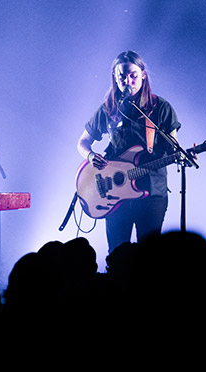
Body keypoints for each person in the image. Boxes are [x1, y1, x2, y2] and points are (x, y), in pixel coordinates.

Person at [77, 51, 182, 253]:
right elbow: (82, 142)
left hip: (151, 192)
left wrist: (182, 155)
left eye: (133, 75)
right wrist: (90, 156)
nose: (127, 81)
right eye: (122, 76)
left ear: (143, 74)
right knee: (117, 255)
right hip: (115, 195)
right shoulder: (109, 108)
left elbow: (173, 146)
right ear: (115, 79)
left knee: (149, 257)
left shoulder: (160, 108)